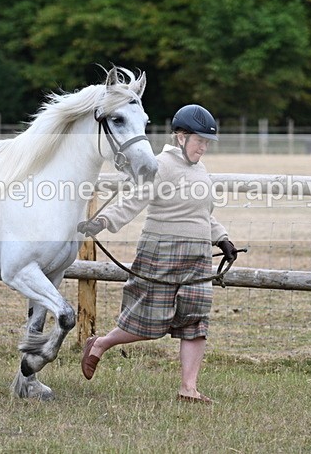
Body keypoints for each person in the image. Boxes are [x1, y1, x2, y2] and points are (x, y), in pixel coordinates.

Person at [77, 104, 237, 404]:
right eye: (198, 140)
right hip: (162, 252)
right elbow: (132, 200)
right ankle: (100, 344)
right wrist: (102, 221)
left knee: (195, 322)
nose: (203, 147)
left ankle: (188, 388)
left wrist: (223, 239)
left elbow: (203, 214)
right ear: (180, 137)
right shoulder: (159, 165)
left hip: (198, 258)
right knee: (148, 323)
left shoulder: (201, 172)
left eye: (206, 142)